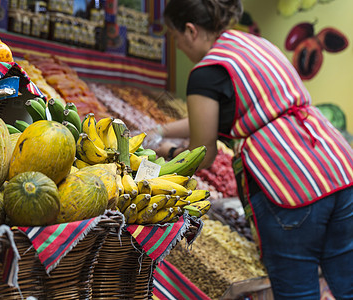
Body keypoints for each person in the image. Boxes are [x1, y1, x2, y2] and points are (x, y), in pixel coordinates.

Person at [151, 0, 353, 299]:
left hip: (290, 183)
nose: (178, 46)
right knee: (349, 282)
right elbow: (231, 109)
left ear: (190, 30)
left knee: (297, 290)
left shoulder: (206, 72)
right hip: (337, 167)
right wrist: (160, 130)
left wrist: (166, 150)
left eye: (175, 36)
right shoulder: (256, 46)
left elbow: (203, 154)